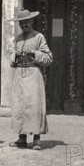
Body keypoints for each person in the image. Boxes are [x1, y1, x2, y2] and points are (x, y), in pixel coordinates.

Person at [8, 8, 53, 150]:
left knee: (34, 106)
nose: (24, 24)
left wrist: (34, 53)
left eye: (26, 21)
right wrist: (15, 55)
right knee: (19, 106)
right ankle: (21, 138)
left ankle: (36, 139)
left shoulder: (39, 37)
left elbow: (49, 58)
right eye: (21, 22)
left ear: (31, 21)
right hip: (19, 75)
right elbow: (11, 60)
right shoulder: (18, 39)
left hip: (33, 74)